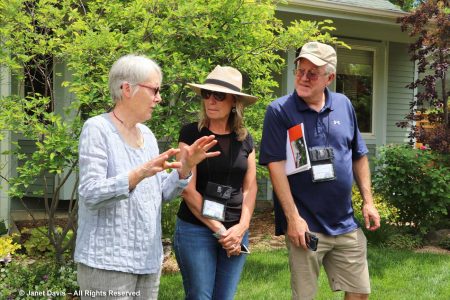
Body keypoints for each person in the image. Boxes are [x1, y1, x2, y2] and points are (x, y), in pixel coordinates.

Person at [75, 54, 220, 300]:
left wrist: (185, 168)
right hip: (107, 262)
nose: (159, 98)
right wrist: (138, 174)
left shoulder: (147, 135)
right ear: (127, 89)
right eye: (154, 90)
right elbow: (90, 193)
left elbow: (158, 194)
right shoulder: (97, 129)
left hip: (148, 262)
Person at [259, 42, 381, 300]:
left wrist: (368, 202)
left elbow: (359, 155)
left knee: (359, 292)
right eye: (300, 70)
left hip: (345, 222)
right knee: (304, 296)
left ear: (330, 77)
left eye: (312, 73)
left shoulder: (344, 105)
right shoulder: (280, 111)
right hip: (306, 225)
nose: (303, 77)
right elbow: (276, 166)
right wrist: (292, 218)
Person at [173, 65, 258, 300]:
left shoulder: (245, 138)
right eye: (206, 94)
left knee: (225, 297)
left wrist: (241, 228)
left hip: (236, 230)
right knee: (200, 296)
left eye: (219, 95)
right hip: (196, 229)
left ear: (235, 102)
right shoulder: (191, 134)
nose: (211, 100)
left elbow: (250, 187)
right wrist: (221, 231)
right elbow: (187, 190)